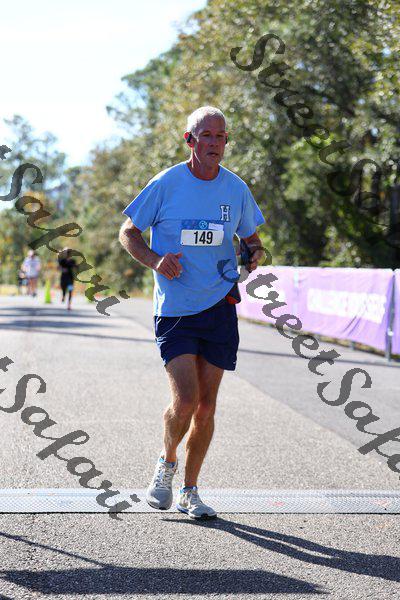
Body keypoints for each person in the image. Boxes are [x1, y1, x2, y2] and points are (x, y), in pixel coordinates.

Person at [119, 106, 265, 520]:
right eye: (207, 136)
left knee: (206, 406)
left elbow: (252, 239)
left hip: (220, 305)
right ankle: (166, 463)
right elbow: (128, 232)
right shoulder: (166, 183)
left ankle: (190, 490)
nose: (215, 143)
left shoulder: (235, 188)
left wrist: (255, 254)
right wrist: (155, 260)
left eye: (221, 136)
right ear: (190, 140)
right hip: (177, 309)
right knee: (185, 400)